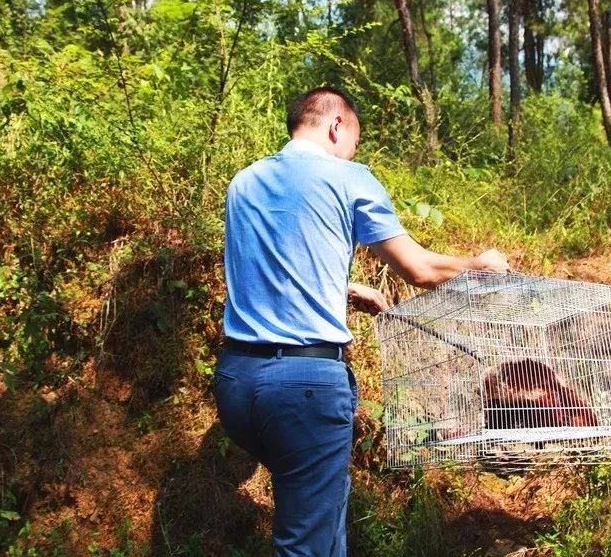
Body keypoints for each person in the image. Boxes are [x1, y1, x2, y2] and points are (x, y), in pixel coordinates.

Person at [213, 86, 510, 556]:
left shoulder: (243, 182)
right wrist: (479, 265)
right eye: (354, 140)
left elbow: (267, 267)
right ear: (337, 126)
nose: (354, 152)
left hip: (235, 384)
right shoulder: (349, 177)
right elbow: (419, 269)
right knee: (306, 542)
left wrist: (343, 292)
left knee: (322, 516)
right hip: (304, 390)